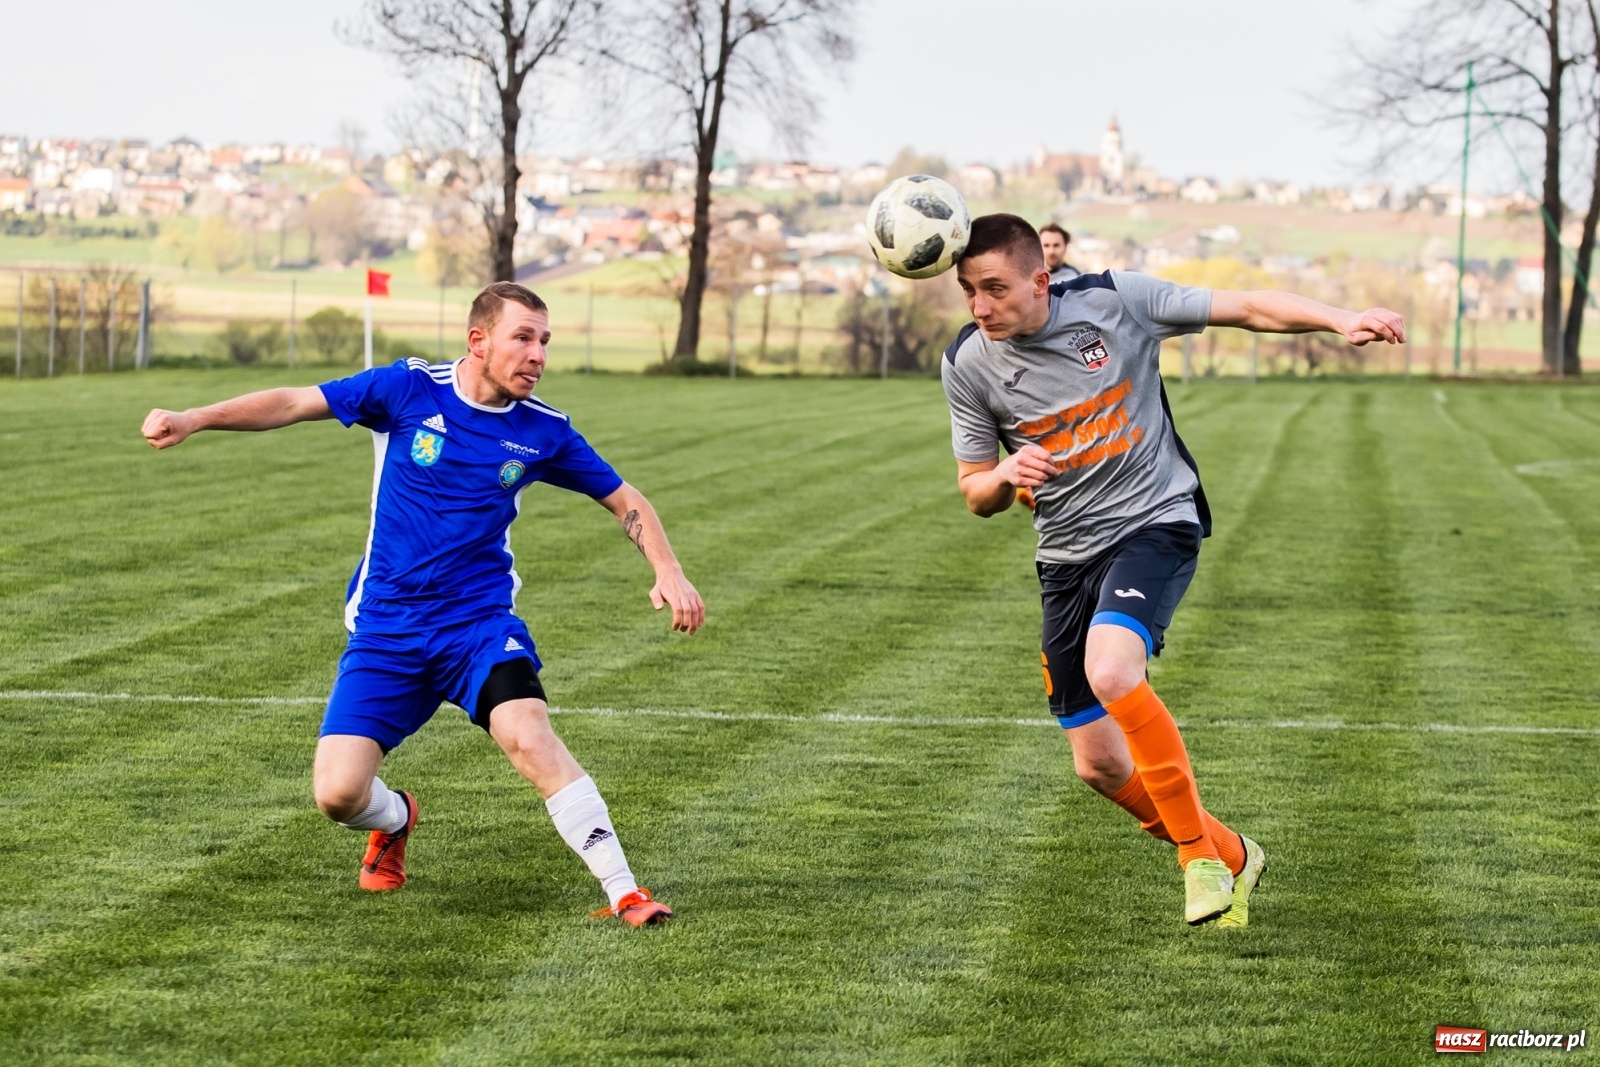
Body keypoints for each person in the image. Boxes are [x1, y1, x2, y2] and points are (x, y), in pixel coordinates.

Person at [139, 281, 704, 926]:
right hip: (387, 628)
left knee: (528, 734)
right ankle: (399, 818)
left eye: (544, 341)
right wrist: (194, 418)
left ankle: (625, 891)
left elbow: (625, 498)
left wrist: (670, 570)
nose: (537, 354)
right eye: (523, 337)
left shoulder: (543, 432)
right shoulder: (408, 389)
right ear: (479, 340)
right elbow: (296, 401)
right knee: (338, 794)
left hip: (478, 627)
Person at [940, 215, 1403, 927]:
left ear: (1041, 279)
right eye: (968, 289)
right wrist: (1003, 473)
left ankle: (1201, 862)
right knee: (1097, 766)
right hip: (1065, 555)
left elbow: (1245, 307)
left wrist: (1341, 319)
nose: (979, 305)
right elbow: (975, 490)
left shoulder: (1114, 300)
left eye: (995, 288)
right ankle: (1235, 853)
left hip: (1155, 520)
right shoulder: (969, 362)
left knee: (1114, 670)